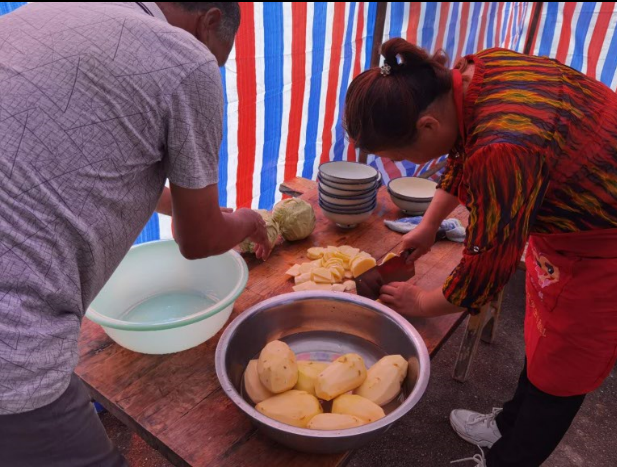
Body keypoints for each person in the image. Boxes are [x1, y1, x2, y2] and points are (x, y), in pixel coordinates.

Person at [0, 2, 270, 465]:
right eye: (221, 58)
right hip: (15, 347)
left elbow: (72, 165)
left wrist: (188, 206)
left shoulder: (44, 12)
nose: (214, 67)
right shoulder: (188, 60)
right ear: (209, 21)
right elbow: (199, 241)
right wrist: (249, 220)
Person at [344, 38, 617, 467]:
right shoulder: (475, 72)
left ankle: (509, 458)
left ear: (427, 125)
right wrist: (430, 224)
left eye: (399, 155)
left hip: (603, 246)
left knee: (564, 372)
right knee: (543, 343)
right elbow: (463, 152)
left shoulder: (505, 148)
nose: (403, 163)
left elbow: (483, 273)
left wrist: (421, 302)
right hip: (567, 226)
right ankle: (508, 425)